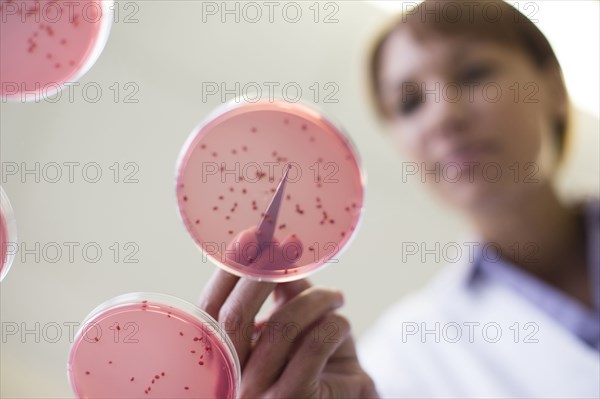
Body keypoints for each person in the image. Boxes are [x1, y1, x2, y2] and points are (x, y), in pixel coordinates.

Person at [197, 1, 599, 397]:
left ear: (555, 88)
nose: (443, 116)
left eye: (474, 73)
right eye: (410, 103)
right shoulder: (402, 356)